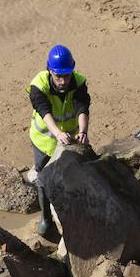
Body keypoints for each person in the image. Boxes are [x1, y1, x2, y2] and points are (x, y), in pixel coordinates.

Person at [26, 44, 90, 237]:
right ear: (50, 71)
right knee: (43, 179)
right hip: (44, 142)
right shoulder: (38, 86)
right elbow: (43, 110)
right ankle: (46, 218)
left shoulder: (78, 82)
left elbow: (82, 107)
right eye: (58, 76)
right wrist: (57, 133)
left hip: (69, 141)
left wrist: (83, 131)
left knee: (72, 176)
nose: (63, 81)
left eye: (66, 76)